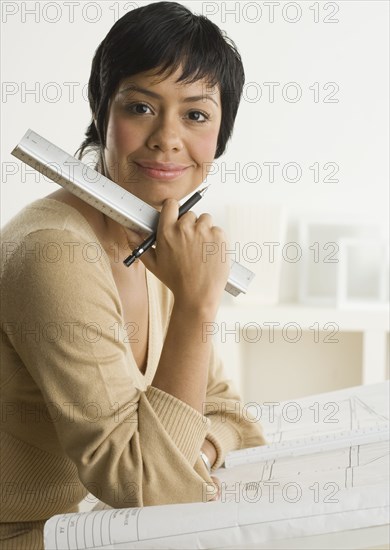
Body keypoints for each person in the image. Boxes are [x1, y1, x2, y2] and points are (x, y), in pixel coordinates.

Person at [0, 2, 266, 548]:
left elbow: (233, 417)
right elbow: (149, 489)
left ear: (220, 136)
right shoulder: (55, 252)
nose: (167, 138)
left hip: (81, 527)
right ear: (102, 113)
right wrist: (197, 305)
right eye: (141, 107)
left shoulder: (158, 240)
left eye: (195, 115)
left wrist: (188, 455)